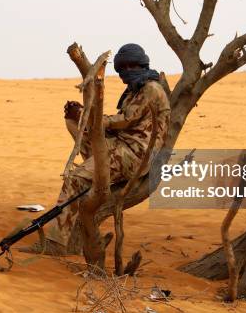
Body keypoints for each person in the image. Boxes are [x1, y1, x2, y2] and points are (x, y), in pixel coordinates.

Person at [21, 43, 170, 255]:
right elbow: (119, 123)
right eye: (122, 68)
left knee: (74, 179)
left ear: (142, 64)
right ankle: (94, 168)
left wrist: (91, 117)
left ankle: (55, 243)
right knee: (73, 121)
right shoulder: (136, 88)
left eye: (131, 66)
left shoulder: (151, 89)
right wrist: (82, 115)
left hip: (134, 155)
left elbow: (125, 120)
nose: (126, 72)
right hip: (120, 146)